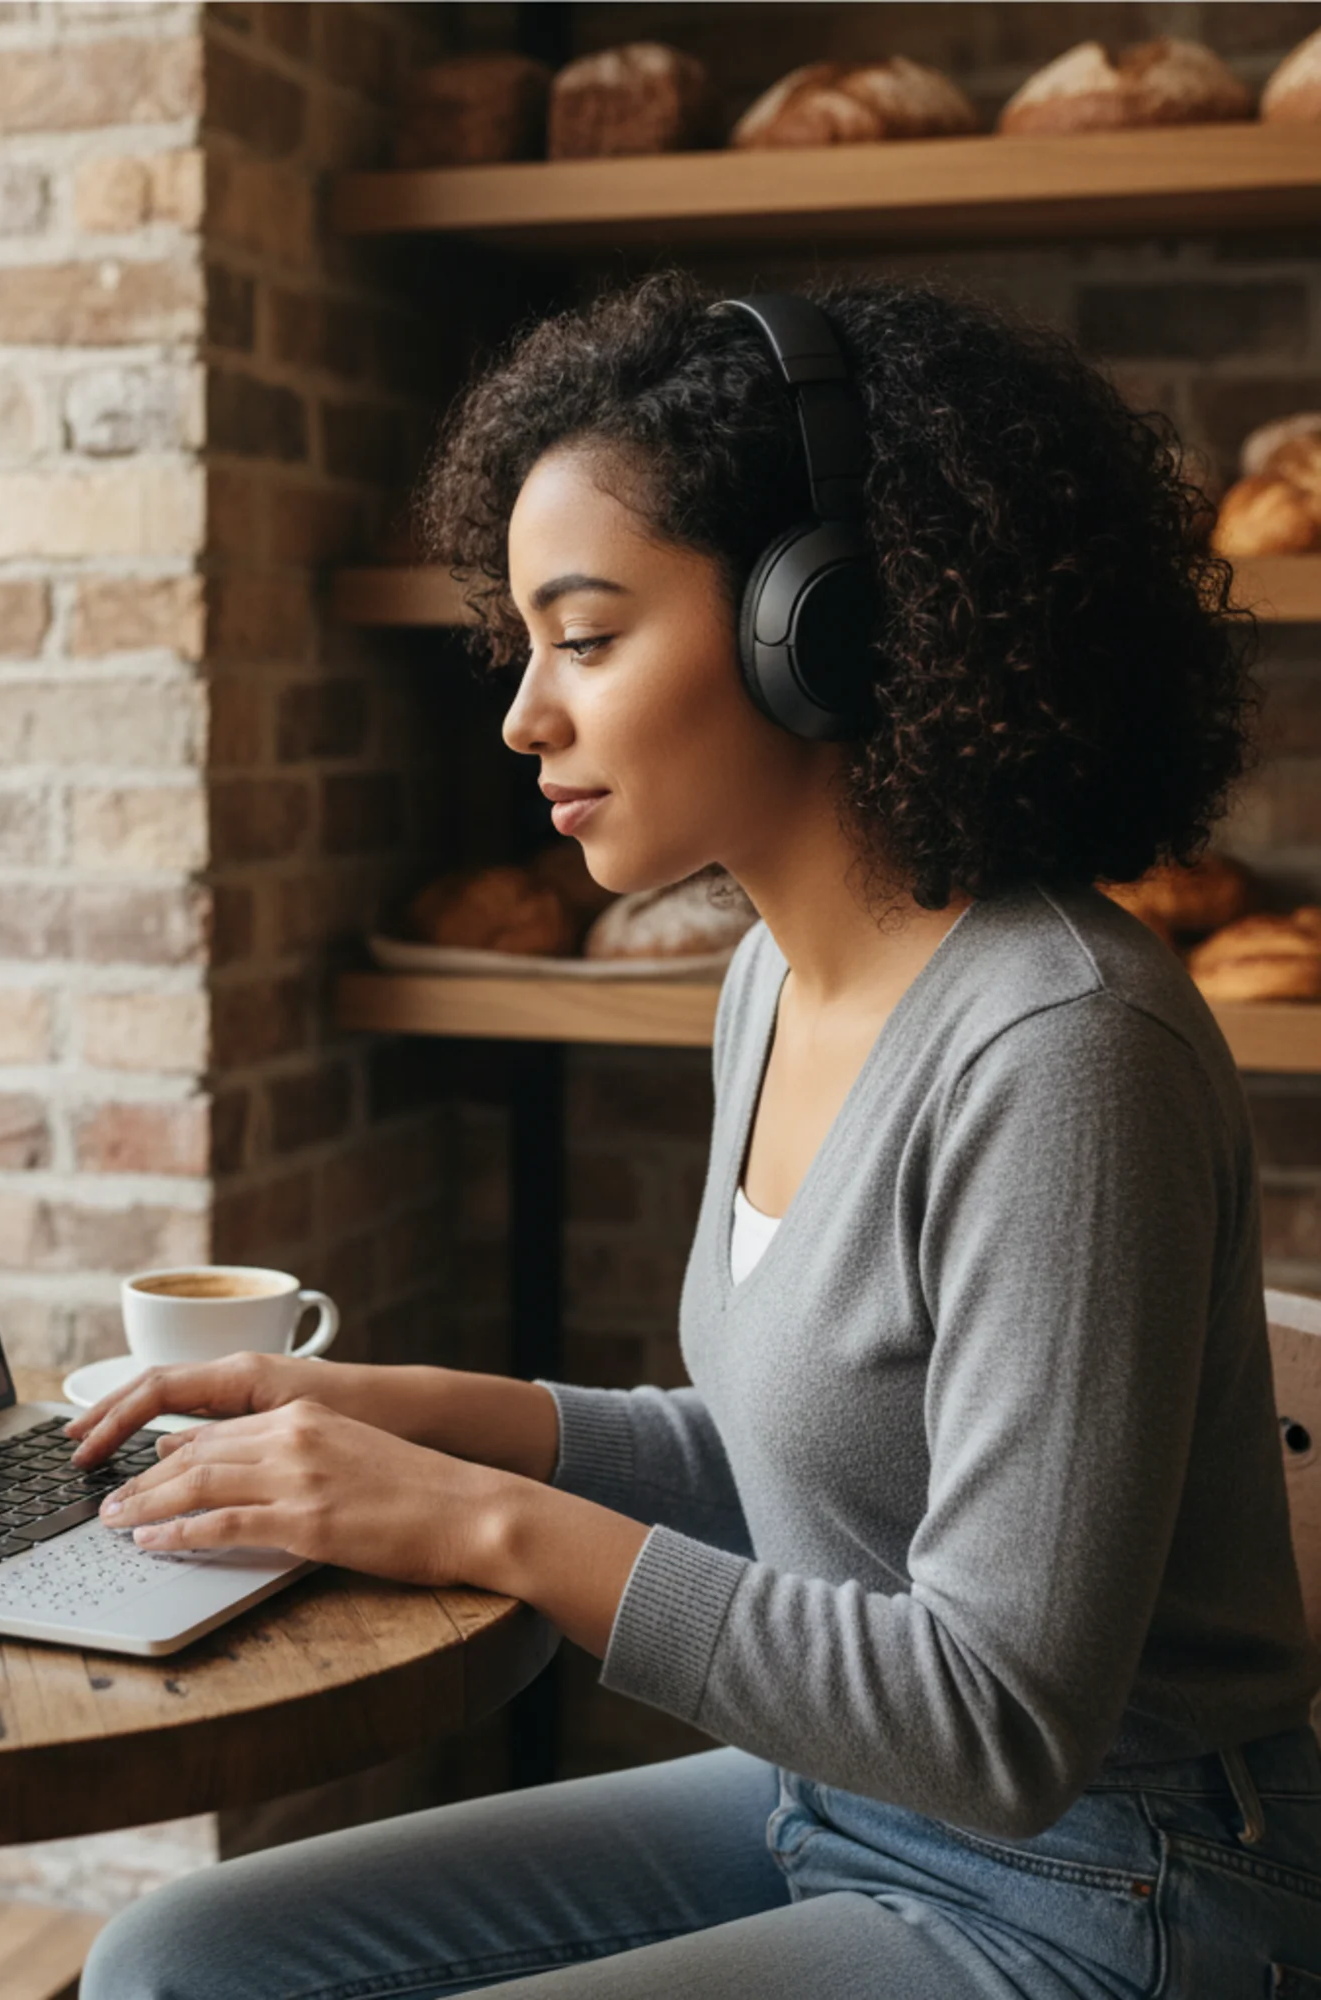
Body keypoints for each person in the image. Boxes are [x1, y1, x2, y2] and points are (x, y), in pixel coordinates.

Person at [71, 273, 1321, 1997]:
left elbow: (1003, 1721)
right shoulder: (766, 981)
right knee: (177, 1961)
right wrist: (404, 1416)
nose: (524, 717)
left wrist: (470, 1520)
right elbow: (800, 1466)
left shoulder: (1064, 1048)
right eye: (524, 651)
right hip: (848, 1802)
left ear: (824, 627)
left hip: (1111, 1889)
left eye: (583, 639)